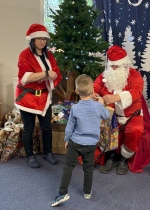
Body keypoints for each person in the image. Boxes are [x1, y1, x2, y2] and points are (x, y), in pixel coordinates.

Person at [51, 74, 110, 207]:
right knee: (88, 168)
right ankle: (87, 191)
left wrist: (67, 140)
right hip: (90, 144)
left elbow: (70, 126)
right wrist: (101, 104)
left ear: (77, 92)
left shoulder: (75, 108)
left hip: (75, 142)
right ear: (93, 91)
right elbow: (106, 116)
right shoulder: (97, 106)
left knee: (68, 167)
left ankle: (62, 193)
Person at [15, 23, 62, 168]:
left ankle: (48, 153)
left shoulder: (49, 55)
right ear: (32, 40)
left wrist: (47, 76)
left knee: (46, 127)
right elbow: (25, 77)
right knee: (29, 128)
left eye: (44, 39)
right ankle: (30, 156)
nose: (42, 41)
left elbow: (57, 73)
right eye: (39, 39)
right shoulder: (25, 55)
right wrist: (46, 74)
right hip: (27, 97)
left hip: (44, 96)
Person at [93, 45, 145, 175]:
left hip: (130, 114)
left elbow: (136, 92)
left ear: (125, 64)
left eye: (117, 66)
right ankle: (111, 155)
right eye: (112, 66)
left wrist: (115, 97)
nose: (114, 68)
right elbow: (94, 86)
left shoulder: (134, 75)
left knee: (136, 131)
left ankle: (124, 157)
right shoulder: (104, 75)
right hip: (110, 114)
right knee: (104, 126)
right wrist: (92, 93)